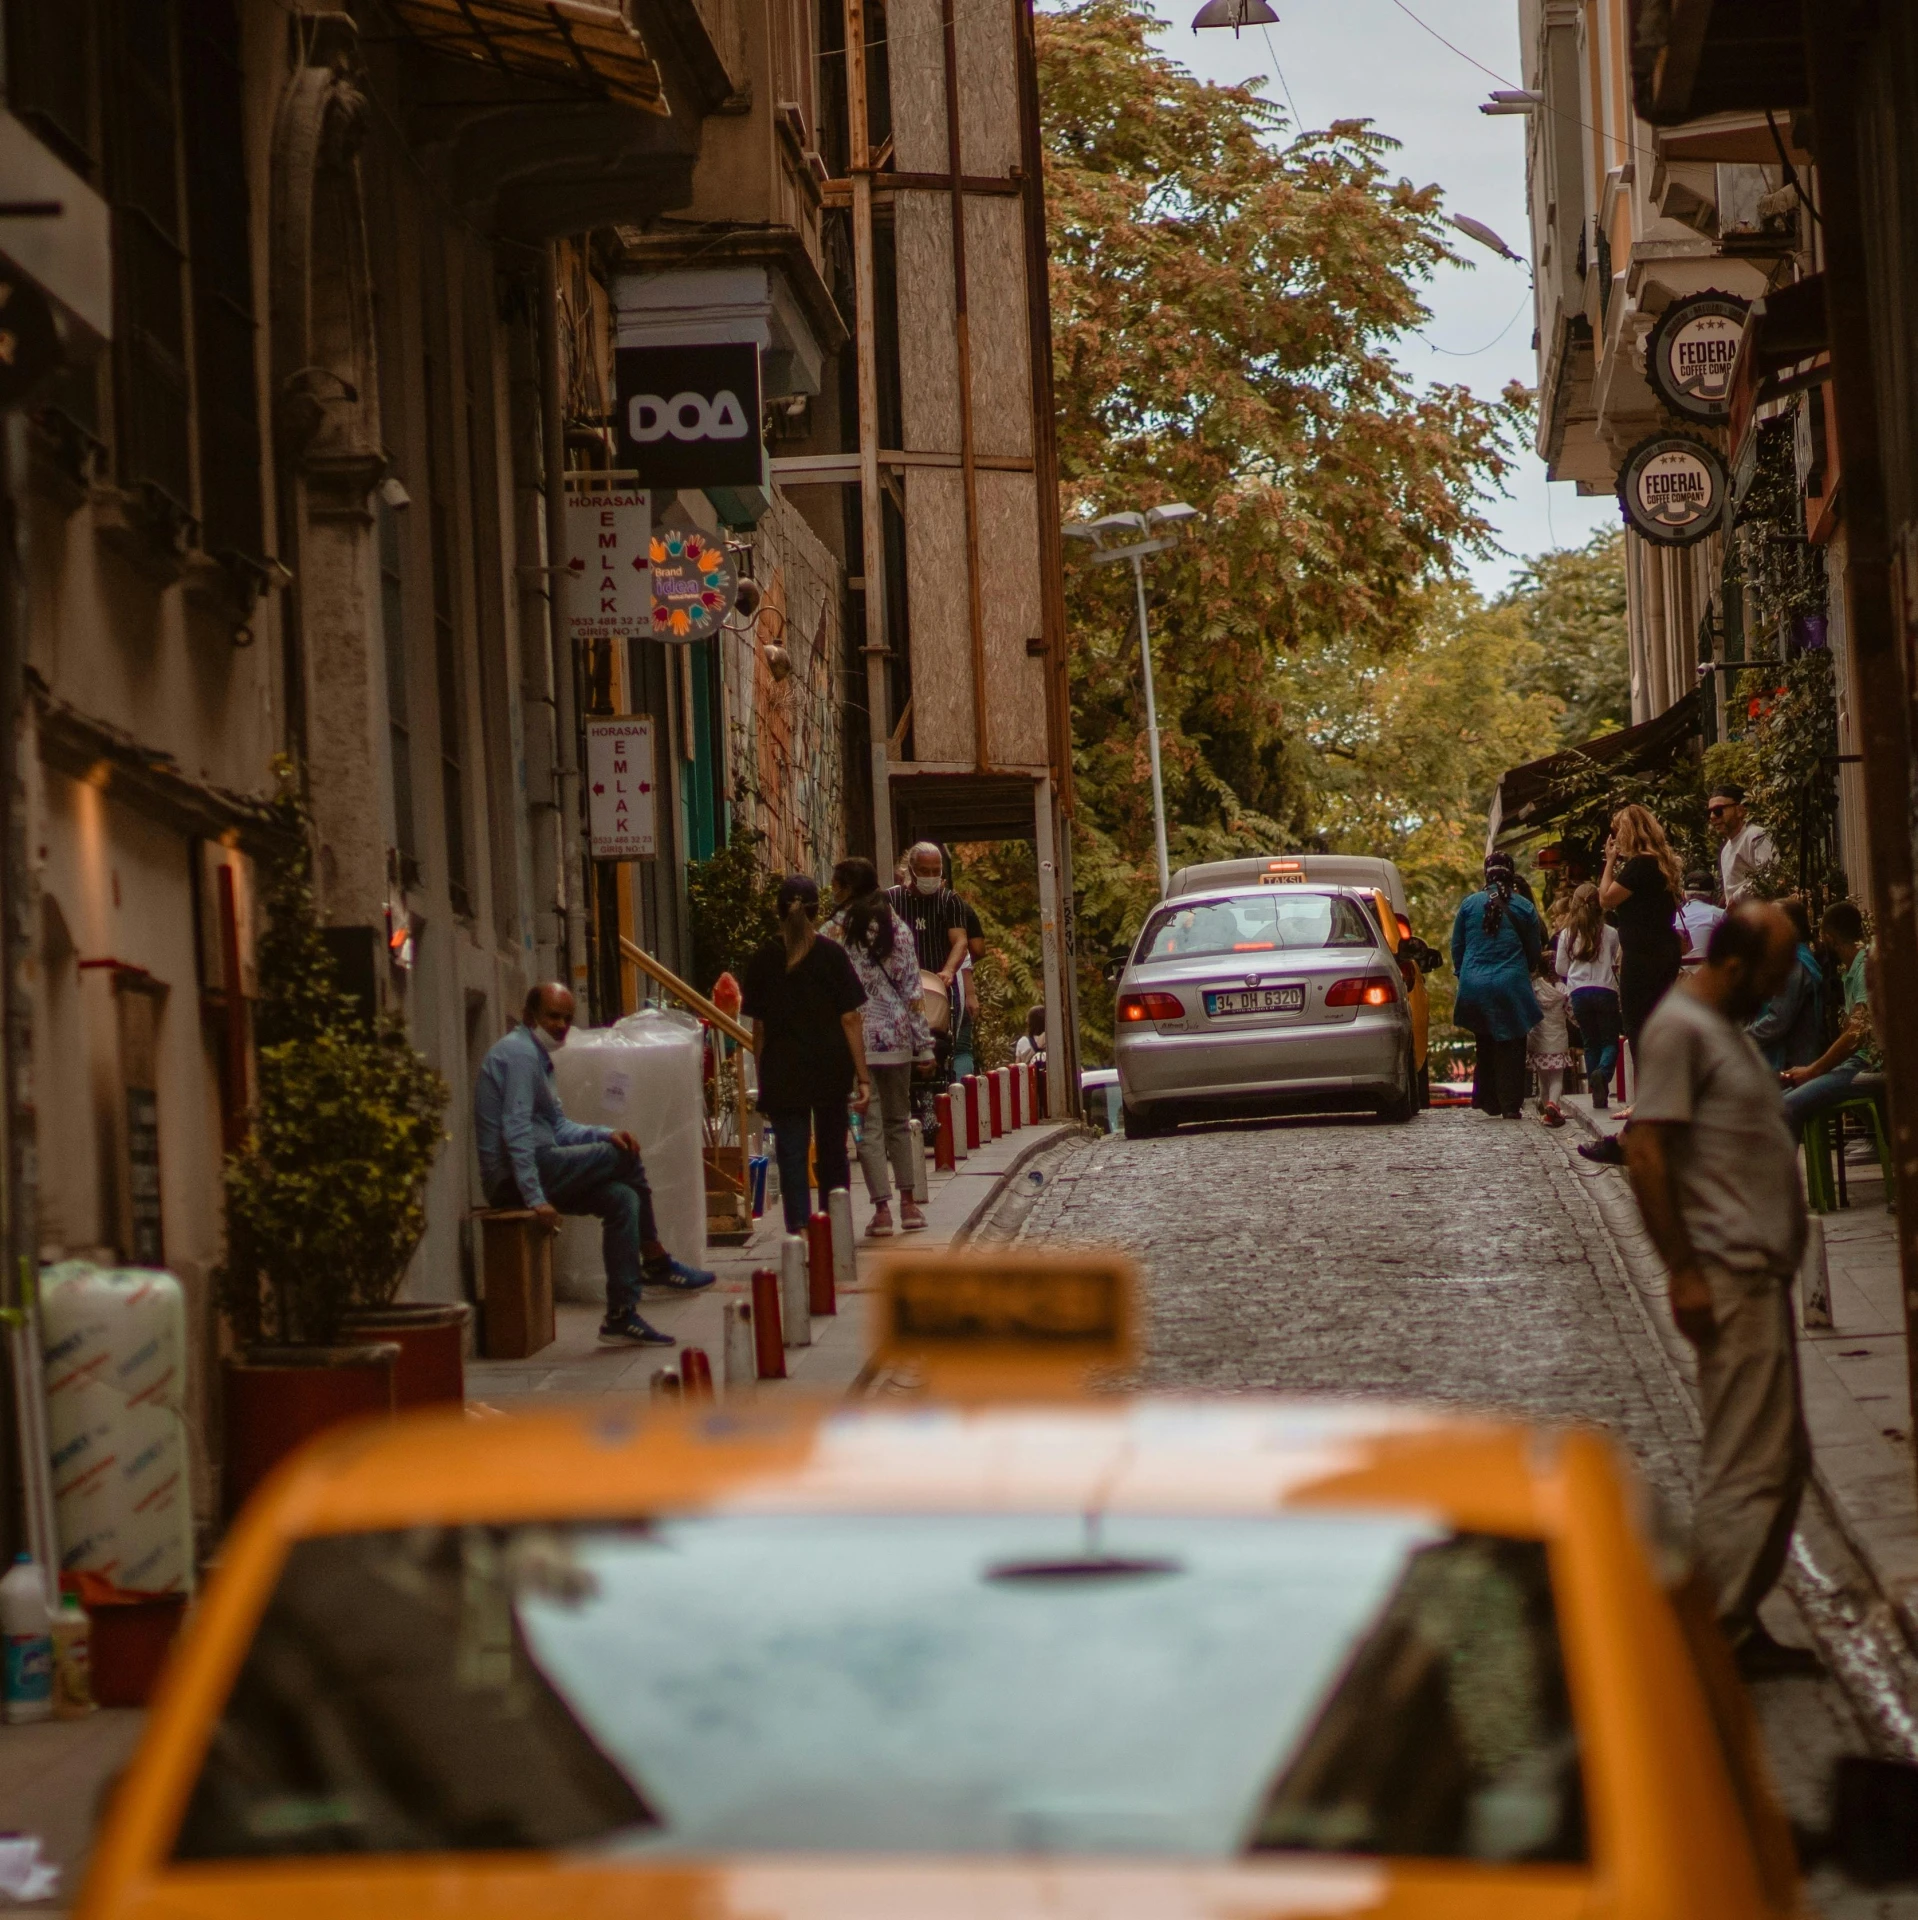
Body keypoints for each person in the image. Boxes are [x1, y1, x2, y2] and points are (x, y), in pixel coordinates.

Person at [1624, 903, 1816, 1678]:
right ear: (1733, 967)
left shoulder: (1719, 1029)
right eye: (1770, 978)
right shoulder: (1680, 1031)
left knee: (1781, 1457)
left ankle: (1735, 1619)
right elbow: (1646, 1152)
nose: (1776, 996)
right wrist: (1685, 1271)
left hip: (1755, 1275)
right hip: (1728, 1275)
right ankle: (1709, 1631)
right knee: (1748, 1463)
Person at [475, 983, 715, 1349]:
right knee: (625, 1157)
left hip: (543, 1163)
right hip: (513, 1177)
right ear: (529, 1016)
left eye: (567, 1019)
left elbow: (558, 1127)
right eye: (552, 1016)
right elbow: (516, 1130)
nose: (561, 1025)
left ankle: (621, 1314)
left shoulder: (538, 1058)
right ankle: (655, 1258)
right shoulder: (520, 1055)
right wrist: (535, 1197)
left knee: (622, 1199)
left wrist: (606, 1133)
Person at [741, 874, 872, 1235]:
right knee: (832, 1151)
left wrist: (763, 1077)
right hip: (830, 1066)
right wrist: (862, 1077)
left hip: (784, 1068)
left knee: (792, 1153)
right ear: (816, 912)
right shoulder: (832, 955)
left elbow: (760, 1029)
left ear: (777, 911)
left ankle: (798, 1231)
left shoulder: (764, 958)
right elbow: (850, 1018)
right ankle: (833, 1226)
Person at [823, 857, 933, 1238]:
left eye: (836, 883)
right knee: (899, 1122)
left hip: (858, 1042)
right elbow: (912, 989)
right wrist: (926, 1046)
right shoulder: (895, 926)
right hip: (898, 1038)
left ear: (846, 887)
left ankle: (882, 1211)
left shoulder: (832, 931)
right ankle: (910, 1204)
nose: (832, 889)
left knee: (868, 1129)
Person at [1450, 852, 1543, 1120]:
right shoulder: (1524, 907)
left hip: (1474, 983)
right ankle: (1510, 1104)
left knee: (1485, 1040)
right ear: (1511, 875)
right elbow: (1534, 948)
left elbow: (1457, 946)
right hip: (1511, 982)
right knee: (1513, 1043)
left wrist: (1463, 973)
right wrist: (1526, 969)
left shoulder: (1469, 905)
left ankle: (1487, 1099)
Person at [1780, 899, 1880, 1132]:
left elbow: (1857, 1032)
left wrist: (1814, 1069)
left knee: (1788, 1105)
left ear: (1829, 938)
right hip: (1856, 1063)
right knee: (1781, 1098)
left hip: (1866, 1064)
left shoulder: (1864, 967)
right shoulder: (1853, 970)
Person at [1554, 882, 1623, 1109]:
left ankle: (1597, 1090)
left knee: (1590, 1042)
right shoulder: (1611, 933)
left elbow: (1560, 969)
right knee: (1609, 1040)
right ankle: (1602, 1074)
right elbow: (1614, 961)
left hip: (1579, 992)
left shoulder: (1566, 934)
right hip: (1605, 990)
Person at [1746, 897, 1825, 1072]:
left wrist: (1742, 1038)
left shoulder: (1794, 964)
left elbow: (1778, 1021)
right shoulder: (1788, 958)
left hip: (1789, 1064)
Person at [1527, 952, 1574, 1126]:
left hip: (1538, 1039)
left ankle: (1547, 1108)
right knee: (1556, 1078)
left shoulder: (1534, 988)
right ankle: (1553, 1106)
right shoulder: (1563, 990)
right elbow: (1571, 1013)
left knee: (1543, 1078)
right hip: (1557, 1041)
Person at [1710, 783, 1776, 905]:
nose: (1712, 816)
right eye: (1710, 812)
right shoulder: (1726, 848)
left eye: (1718, 811)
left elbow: (1771, 876)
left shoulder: (1755, 835)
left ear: (1740, 810)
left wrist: (1736, 899)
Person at [1677, 871, 1725, 970]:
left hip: (1677, 979)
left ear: (1683, 894)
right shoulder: (1720, 915)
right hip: (1707, 979)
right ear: (1712, 895)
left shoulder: (1673, 917)